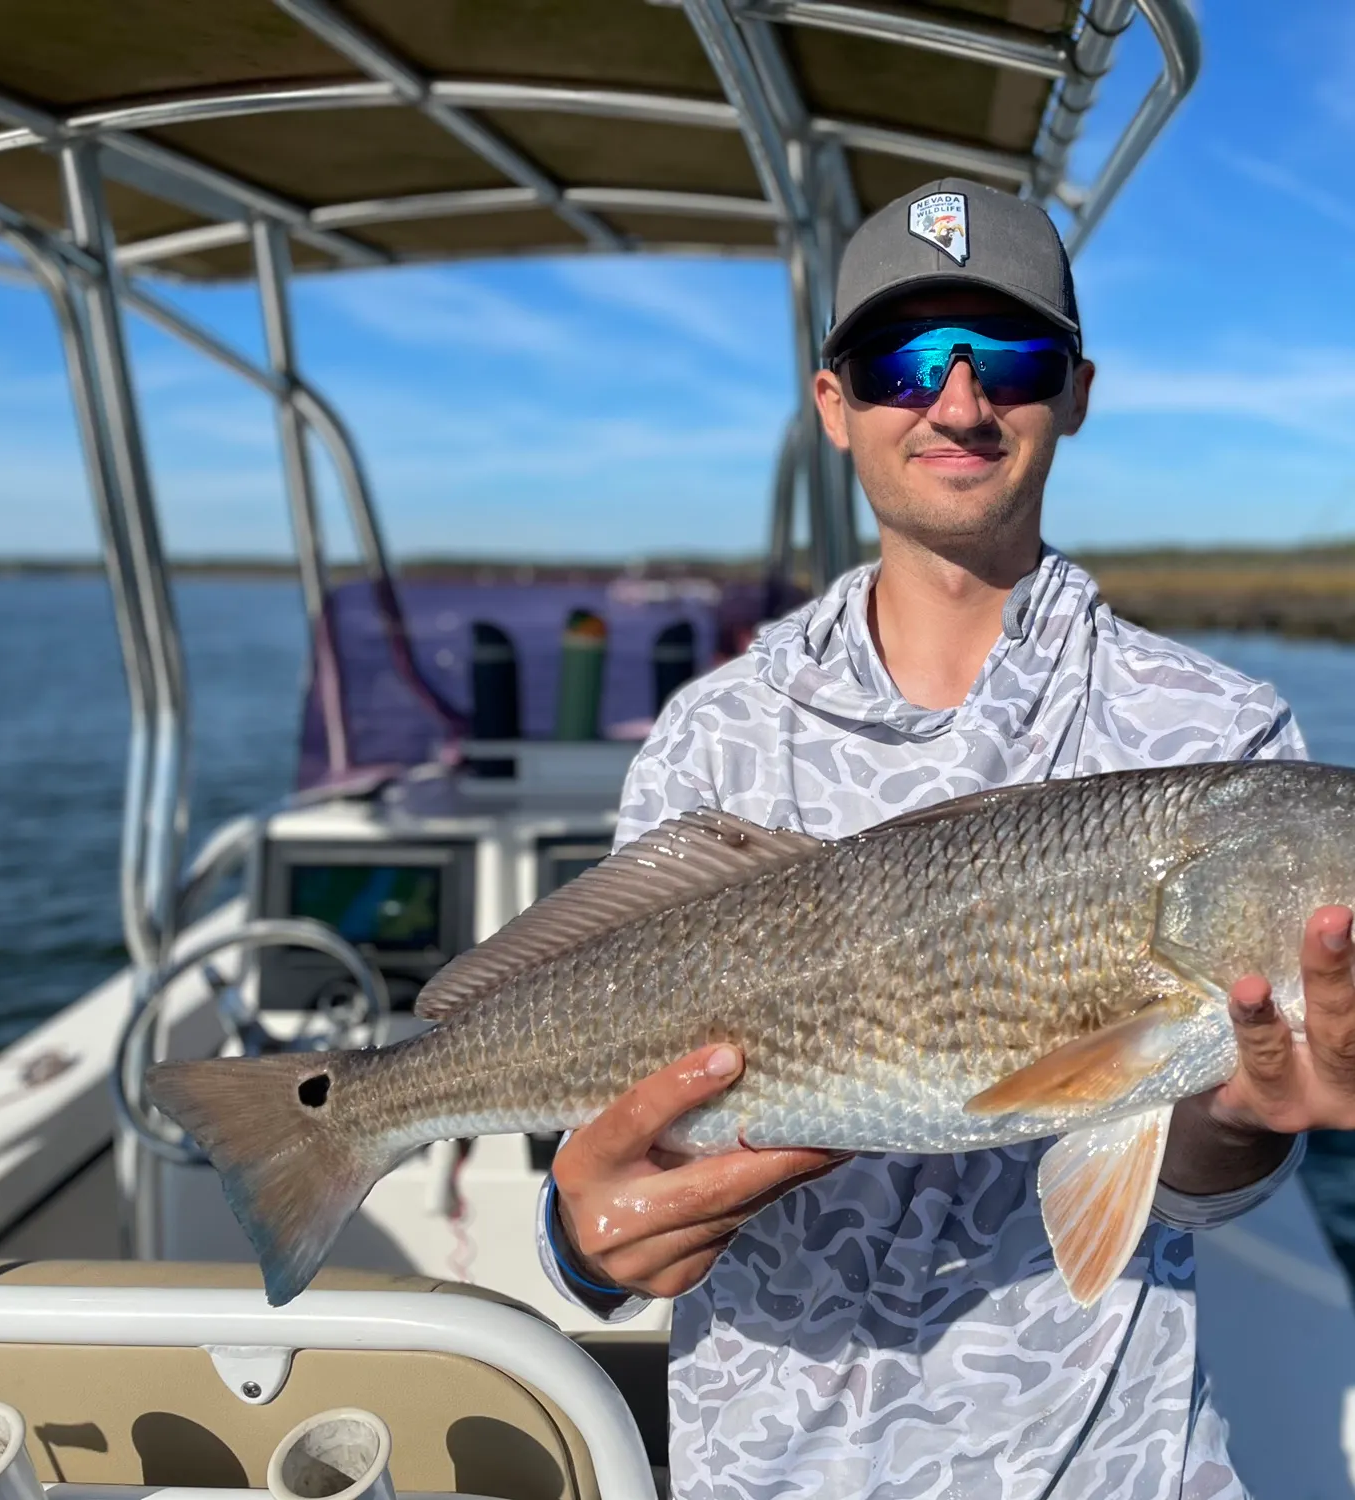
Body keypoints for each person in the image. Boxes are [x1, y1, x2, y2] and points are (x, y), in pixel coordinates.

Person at [535, 178, 1355, 1499]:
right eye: (904, 362)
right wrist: (579, 1239)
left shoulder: (1225, 730)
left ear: (1075, 392)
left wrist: (1255, 1119)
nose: (960, 404)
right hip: (766, 1470)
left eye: (1011, 358)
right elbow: (613, 1120)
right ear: (834, 403)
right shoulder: (710, 736)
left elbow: (1191, 1178)